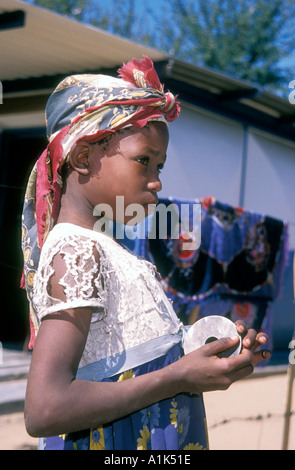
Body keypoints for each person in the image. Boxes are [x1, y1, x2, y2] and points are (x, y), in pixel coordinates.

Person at [21, 56, 270, 451]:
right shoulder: (77, 251)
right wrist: (179, 378)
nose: (156, 182)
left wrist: (206, 349)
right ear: (83, 158)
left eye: (161, 166)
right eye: (144, 161)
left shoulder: (108, 249)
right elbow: (45, 409)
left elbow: (131, 359)